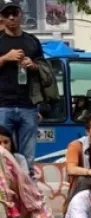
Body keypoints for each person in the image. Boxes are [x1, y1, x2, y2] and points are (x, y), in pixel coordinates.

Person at [0, 0, 43, 170]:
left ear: (21, 14)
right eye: (6, 14)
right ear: (2, 17)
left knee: (28, 158)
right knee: (3, 156)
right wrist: (5, 58)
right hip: (3, 105)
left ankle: (27, 194)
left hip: (28, 105)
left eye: (14, 13)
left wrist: (32, 65)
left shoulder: (32, 41)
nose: (11, 17)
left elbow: (44, 69)